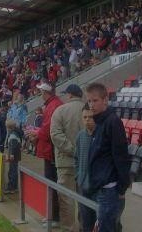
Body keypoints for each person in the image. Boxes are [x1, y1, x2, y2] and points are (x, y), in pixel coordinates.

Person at [86, 82, 130, 232]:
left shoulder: (113, 122)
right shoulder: (99, 122)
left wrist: (122, 187)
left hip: (109, 189)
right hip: (100, 187)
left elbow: (121, 156)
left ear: (105, 100)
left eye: (95, 100)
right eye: (89, 101)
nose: (91, 105)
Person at [50, 84, 84, 232]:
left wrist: (72, 150)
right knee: (85, 198)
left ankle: (69, 228)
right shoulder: (89, 109)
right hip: (85, 161)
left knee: (66, 199)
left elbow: (55, 135)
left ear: (69, 95)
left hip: (66, 161)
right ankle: (85, 227)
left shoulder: (60, 110)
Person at [29, 82, 63, 227]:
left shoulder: (53, 105)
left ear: (46, 92)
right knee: (51, 183)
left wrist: (36, 133)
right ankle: (51, 215)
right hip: (49, 150)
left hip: (51, 151)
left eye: (41, 92)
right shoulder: (51, 104)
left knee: (52, 183)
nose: (39, 94)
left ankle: (54, 217)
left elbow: (48, 129)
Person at [75, 105, 96, 232]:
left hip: (98, 188)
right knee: (85, 222)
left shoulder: (102, 135)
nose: (88, 120)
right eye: (85, 117)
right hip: (83, 186)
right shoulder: (80, 136)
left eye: (91, 117)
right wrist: (79, 177)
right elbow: (76, 159)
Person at [4, 120, 21, 194]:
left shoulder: (12, 136)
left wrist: (11, 155)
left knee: (12, 171)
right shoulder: (15, 134)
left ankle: (12, 187)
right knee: (13, 171)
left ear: (9, 128)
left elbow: (12, 147)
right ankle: (14, 187)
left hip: (13, 156)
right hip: (15, 156)